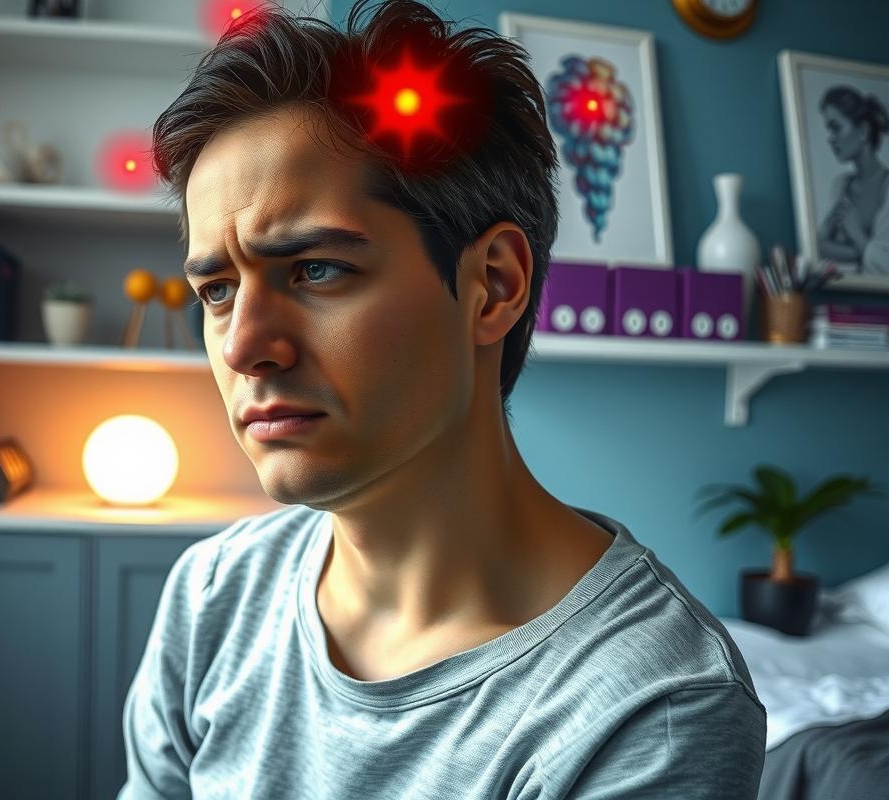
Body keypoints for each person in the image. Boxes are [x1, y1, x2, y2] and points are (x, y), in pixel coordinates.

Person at [119, 1, 766, 797]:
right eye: (217, 290)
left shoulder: (647, 710)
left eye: (316, 269)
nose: (245, 345)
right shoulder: (213, 596)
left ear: (492, 285)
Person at [816, 85, 889, 275]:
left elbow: (884, 262)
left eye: (836, 128)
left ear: (864, 131)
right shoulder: (840, 185)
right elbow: (819, 247)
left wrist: (856, 234)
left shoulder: (886, 185)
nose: (830, 139)